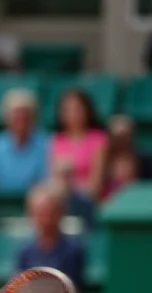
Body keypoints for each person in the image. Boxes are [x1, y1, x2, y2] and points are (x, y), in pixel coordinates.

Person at [50, 89, 109, 227]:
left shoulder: (99, 140)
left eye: (77, 109)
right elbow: (53, 178)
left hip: (89, 203)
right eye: (68, 110)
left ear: (87, 111)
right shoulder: (56, 141)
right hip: (61, 202)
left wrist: (71, 188)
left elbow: (96, 185)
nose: (73, 114)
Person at [17, 182, 85, 290]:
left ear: (61, 213)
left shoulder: (74, 251)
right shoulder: (25, 251)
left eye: (51, 213)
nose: (46, 220)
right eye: (41, 214)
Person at [0, 89, 49, 195]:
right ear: (6, 117)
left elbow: (46, 183)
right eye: (16, 114)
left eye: (25, 114)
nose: (21, 119)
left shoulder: (46, 144)